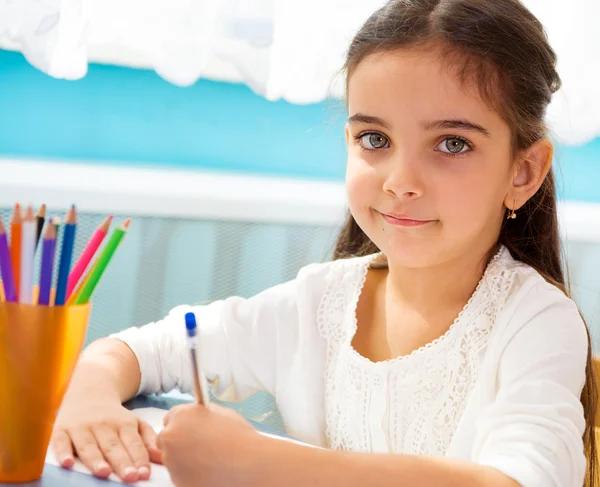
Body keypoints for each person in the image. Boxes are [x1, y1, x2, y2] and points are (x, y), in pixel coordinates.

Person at [50, 0, 598, 486]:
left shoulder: (536, 321)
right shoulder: (319, 302)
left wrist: (257, 464)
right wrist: (89, 394)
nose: (399, 180)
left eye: (452, 143)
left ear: (523, 172)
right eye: (375, 139)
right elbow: (141, 351)